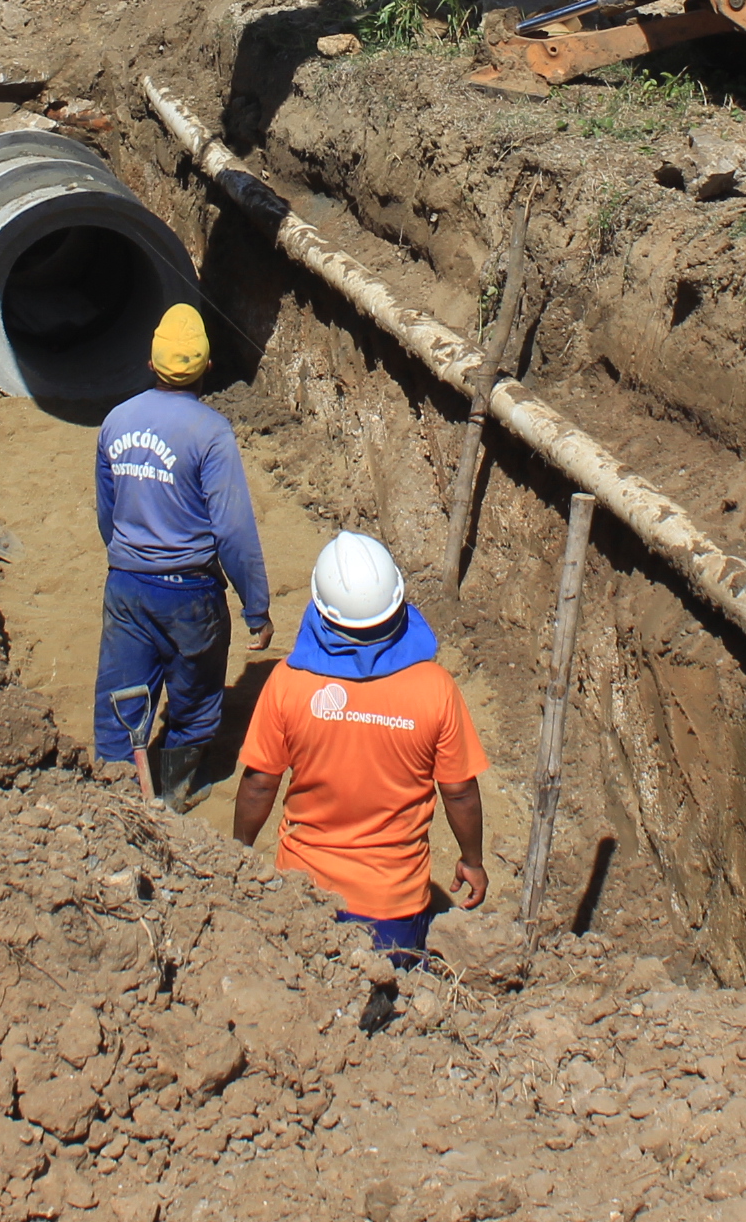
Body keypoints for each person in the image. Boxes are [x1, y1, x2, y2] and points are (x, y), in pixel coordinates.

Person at [231, 534, 489, 966]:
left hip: (302, 895)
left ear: (320, 609)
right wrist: (473, 860)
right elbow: (459, 790)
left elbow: (260, 783)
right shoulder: (435, 689)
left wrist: (238, 852)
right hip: (394, 905)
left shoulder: (287, 684)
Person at [91, 305, 272, 808]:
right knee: (194, 702)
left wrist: (129, 557)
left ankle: (111, 800)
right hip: (191, 593)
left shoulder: (116, 422)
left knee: (120, 699)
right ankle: (173, 791)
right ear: (207, 369)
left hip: (127, 585)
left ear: (151, 364)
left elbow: (108, 513)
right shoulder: (211, 433)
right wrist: (255, 606)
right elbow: (233, 530)